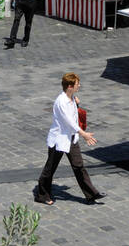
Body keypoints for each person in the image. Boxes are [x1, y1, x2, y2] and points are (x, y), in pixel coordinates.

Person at [35, 72, 104, 205]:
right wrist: (84, 134)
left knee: (79, 166)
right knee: (50, 168)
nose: (79, 86)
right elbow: (69, 122)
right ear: (70, 86)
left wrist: (76, 104)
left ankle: (91, 194)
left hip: (71, 139)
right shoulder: (61, 102)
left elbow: (73, 117)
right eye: (78, 84)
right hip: (59, 140)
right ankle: (42, 195)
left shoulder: (71, 98)